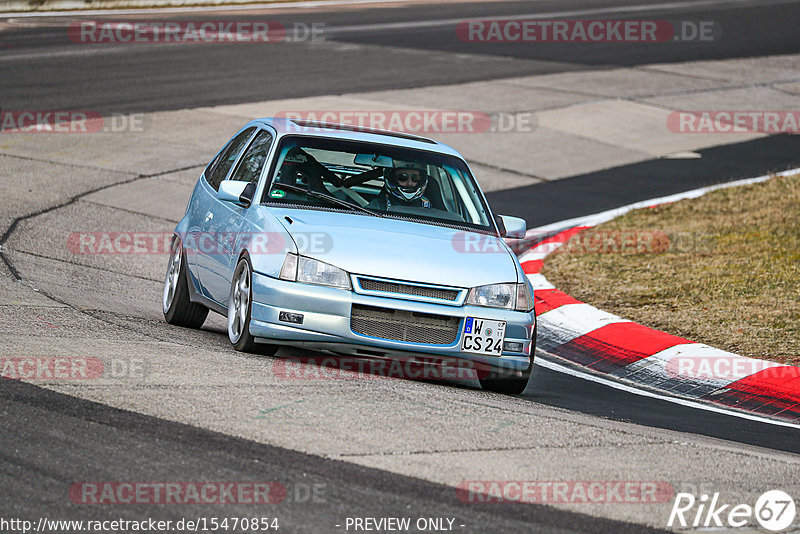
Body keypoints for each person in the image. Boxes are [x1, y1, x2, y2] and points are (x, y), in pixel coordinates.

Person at [367, 162, 432, 210]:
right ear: (393, 179)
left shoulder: (428, 207)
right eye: (403, 177)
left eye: (415, 178)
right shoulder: (377, 206)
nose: (409, 183)